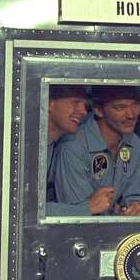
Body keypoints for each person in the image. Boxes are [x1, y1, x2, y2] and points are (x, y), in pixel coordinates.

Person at [53, 85, 140, 215]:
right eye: (120, 107)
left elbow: (137, 194)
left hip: (120, 227)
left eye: (135, 105)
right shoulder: (73, 146)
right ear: (98, 110)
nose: (131, 114)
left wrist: (136, 208)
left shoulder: (135, 144)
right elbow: (76, 210)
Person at [43, 84, 93, 216]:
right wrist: (87, 208)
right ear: (48, 104)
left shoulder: (54, 146)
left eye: (84, 104)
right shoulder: (26, 146)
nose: (83, 111)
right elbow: (24, 210)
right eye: (75, 102)